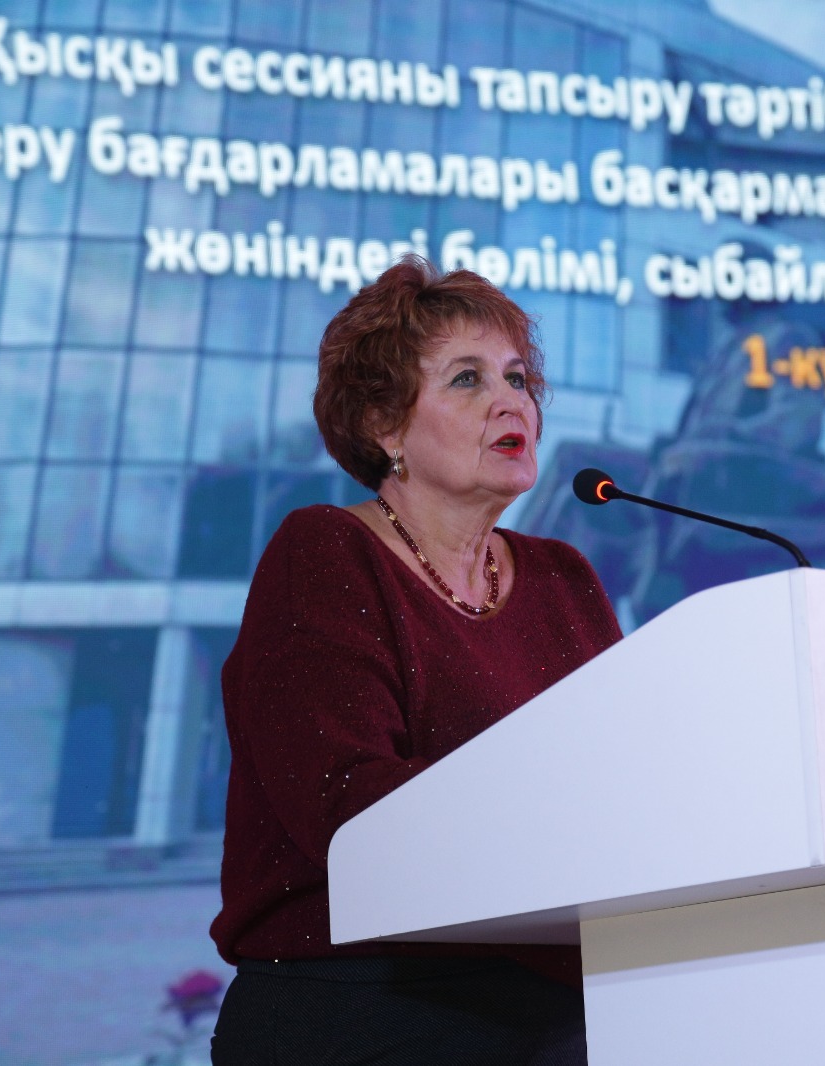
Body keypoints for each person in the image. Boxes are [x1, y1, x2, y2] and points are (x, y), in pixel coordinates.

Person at [208, 256, 623, 1065]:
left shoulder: (563, 578)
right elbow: (351, 808)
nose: (511, 401)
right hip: (365, 1011)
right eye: (468, 379)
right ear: (383, 425)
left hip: (562, 1011)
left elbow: (621, 779)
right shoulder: (326, 553)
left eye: (517, 377)